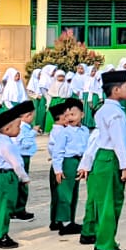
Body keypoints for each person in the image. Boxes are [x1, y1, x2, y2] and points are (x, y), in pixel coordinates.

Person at [79, 69, 126, 250]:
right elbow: (118, 142)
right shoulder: (115, 114)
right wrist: (125, 167)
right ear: (116, 90)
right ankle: (104, 247)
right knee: (110, 205)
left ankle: (108, 243)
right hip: (111, 158)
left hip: (105, 157)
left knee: (107, 204)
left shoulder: (106, 109)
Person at [0, 101, 34, 249]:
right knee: (4, 207)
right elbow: (17, 164)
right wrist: (24, 177)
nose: (19, 130)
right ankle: (1, 236)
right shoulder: (6, 144)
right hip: (7, 177)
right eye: (17, 127)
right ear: (7, 128)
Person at [48, 98, 89, 236]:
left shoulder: (85, 130)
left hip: (79, 162)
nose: (70, 118)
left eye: (73, 114)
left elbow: (87, 149)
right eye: (67, 115)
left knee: (74, 192)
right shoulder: (63, 132)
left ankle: (70, 220)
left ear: (82, 115)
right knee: (65, 193)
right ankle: (64, 222)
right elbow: (57, 151)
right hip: (67, 162)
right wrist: (58, 170)